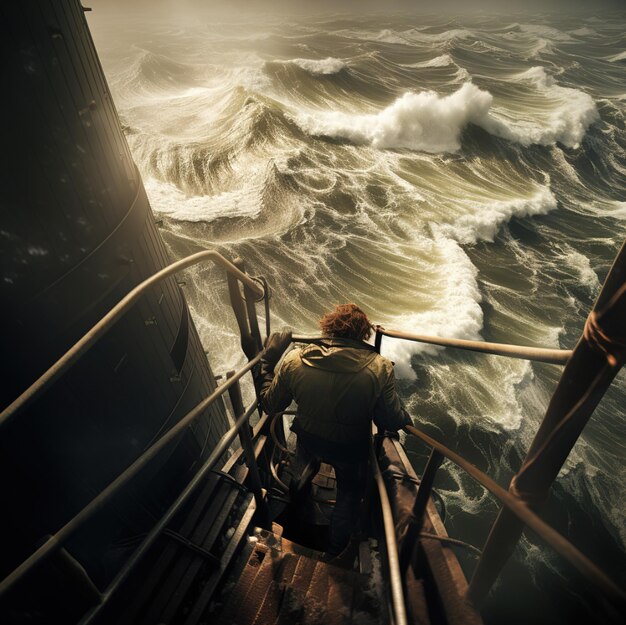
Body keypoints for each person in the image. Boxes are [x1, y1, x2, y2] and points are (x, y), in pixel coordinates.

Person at [255, 303, 412, 557]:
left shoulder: (295, 360)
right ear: (364, 334)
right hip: (350, 449)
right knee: (349, 497)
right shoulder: (380, 367)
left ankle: (298, 529)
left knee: (301, 480)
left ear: (327, 329)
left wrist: (266, 362)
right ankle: (336, 548)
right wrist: (406, 419)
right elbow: (391, 419)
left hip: (309, 440)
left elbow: (270, 403)